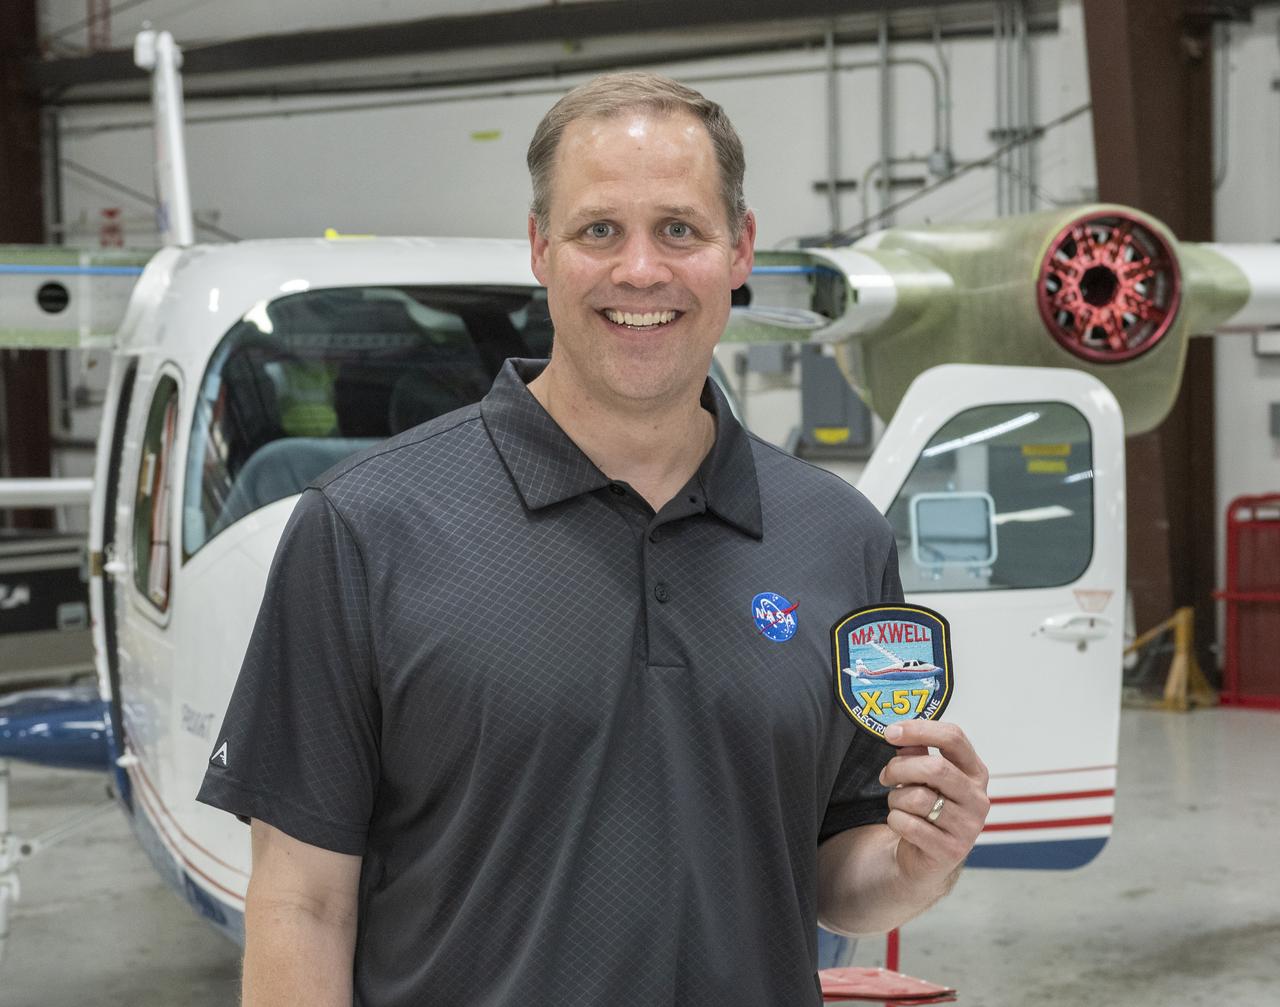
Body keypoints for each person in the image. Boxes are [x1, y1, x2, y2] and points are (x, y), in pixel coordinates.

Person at [198, 71, 990, 1007]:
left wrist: (916, 862)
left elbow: (827, 864)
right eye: (599, 230)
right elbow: (302, 902)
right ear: (542, 247)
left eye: (680, 229)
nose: (641, 271)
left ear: (740, 248)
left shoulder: (837, 536)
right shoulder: (367, 527)